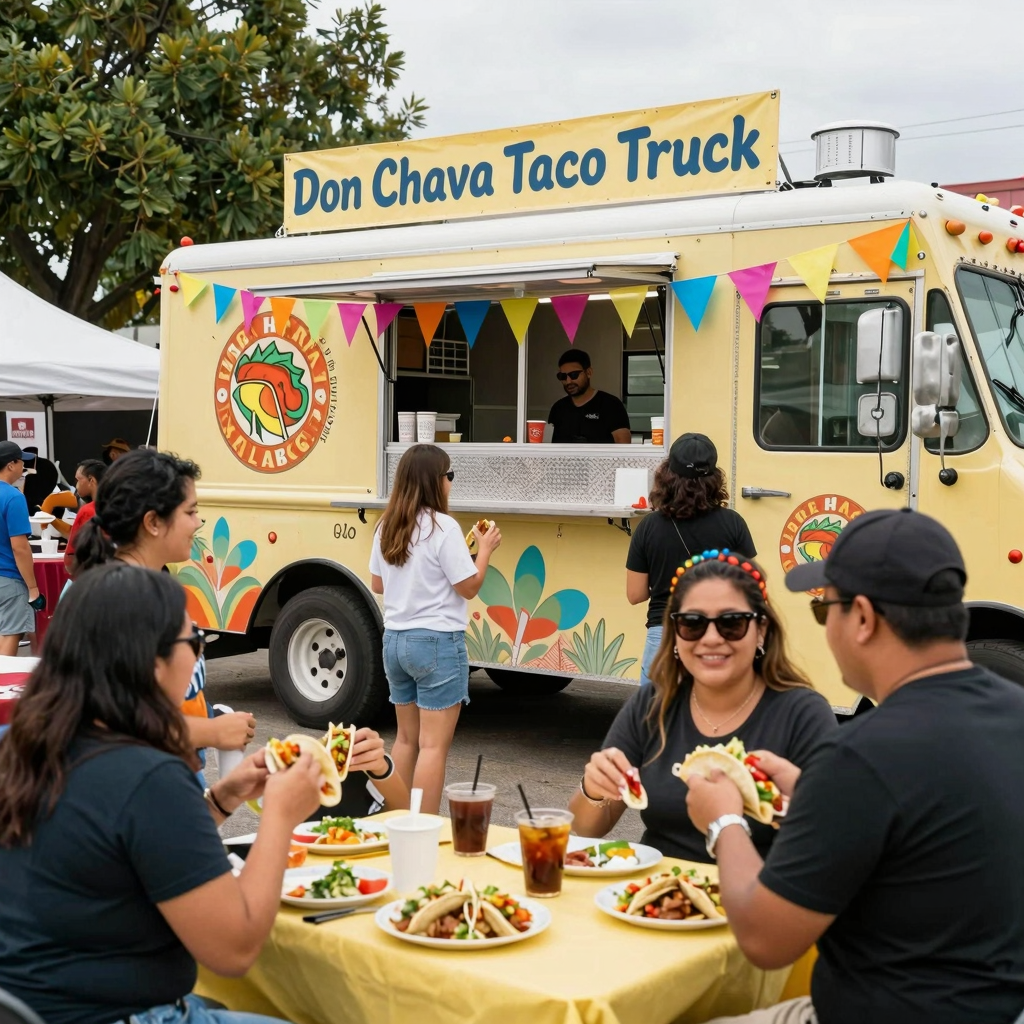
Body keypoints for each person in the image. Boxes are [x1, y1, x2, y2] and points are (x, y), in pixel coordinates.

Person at [686, 509, 1024, 1024]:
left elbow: (764, 938)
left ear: (862, 618)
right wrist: (814, 792)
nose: (826, 627)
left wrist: (723, 821)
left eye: (827, 610)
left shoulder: (860, 755)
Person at [0, 563, 324, 1024]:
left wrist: (221, 799)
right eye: (193, 643)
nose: (197, 657)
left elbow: (120, 849)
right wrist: (280, 815)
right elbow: (235, 949)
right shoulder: (146, 773)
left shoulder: (24, 743)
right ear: (152, 664)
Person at [570, 552, 836, 863]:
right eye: (693, 623)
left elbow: (832, 845)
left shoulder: (803, 714)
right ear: (675, 633)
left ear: (761, 629)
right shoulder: (653, 702)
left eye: (732, 623)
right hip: (655, 899)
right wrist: (594, 788)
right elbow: (582, 829)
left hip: (760, 901)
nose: (711, 638)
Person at [74, 449, 256, 758]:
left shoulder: (138, 587)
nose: (198, 523)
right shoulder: (129, 598)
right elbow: (119, 720)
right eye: (190, 512)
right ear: (153, 522)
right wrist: (212, 731)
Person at [370, 444, 501, 814]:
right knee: (432, 747)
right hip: (436, 644)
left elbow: (378, 585)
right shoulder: (444, 527)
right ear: (434, 481)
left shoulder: (386, 524)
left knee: (406, 741)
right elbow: (469, 587)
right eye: (449, 476)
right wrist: (486, 549)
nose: (450, 483)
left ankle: (391, 817)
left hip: (394, 641)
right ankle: (424, 828)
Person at [627, 432, 756, 686]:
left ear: (667, 474)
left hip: (664, 635)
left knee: (660, 722)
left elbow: (635, 594)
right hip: (718, 636)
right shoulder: (733, 524)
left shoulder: (648, 527)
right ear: (714, 477)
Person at [0, 441, 39, 657]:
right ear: (10, 465)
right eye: (20, 462)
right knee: (10, 635)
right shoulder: (14, 497)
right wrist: (33, 587)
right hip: (8, 578)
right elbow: (20, 548)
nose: (23, 467)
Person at [547, 349, 632, 444]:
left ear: (589, 373)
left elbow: (624, 447)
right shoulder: (558, 408)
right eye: (562, 376)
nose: (568, 381)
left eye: (574, 375)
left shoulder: (611, 405)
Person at [63, 458, 105, 573]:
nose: (76, 485)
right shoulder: (123, 508)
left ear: (91, 480)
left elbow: (72, 553)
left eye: (78, 480)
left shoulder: (88, 511)